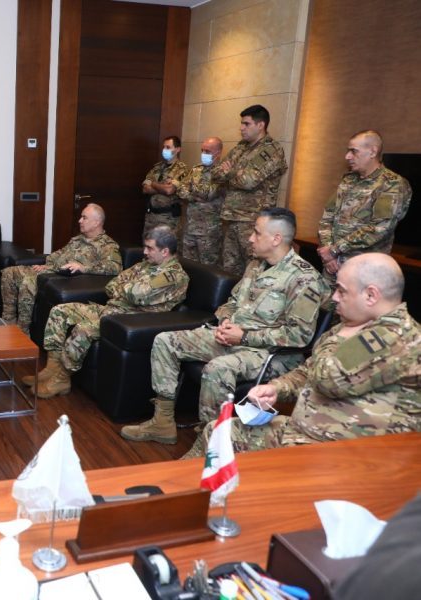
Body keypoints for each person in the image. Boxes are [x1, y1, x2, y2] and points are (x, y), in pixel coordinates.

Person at [183, 253, 419, 458]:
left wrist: (342, 334)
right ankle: (177, 486)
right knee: (218, 432)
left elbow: (328, 378)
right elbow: (309, 369)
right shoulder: (360, 325)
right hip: (308, 434)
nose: (334, 297)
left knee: (220, 442)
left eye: (341, 291)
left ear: (371, 295)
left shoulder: (392, 336)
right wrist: (277, 388)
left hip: (347, 455)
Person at [120, 208, 323, 445]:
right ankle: (162, 423)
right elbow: (233, 302)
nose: (250, 238)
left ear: (276, 238)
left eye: (257, 233)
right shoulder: (255, 265)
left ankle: (210, 443)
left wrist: (243, 336)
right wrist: (226, 320)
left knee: (218, 369)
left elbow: (299, 336)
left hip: (269, 354)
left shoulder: (304, 278)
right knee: (165, 341)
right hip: (232, 338)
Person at [30, 226, 189, 398]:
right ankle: (52, 368)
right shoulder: (146, 265)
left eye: (150, 248)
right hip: (111, 309)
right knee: (60, 311)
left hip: (127, 320)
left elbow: (136, 295)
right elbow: (112, 284)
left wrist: (126, 289)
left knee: (83, 329)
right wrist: (128, 288)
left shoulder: (173, 276)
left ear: (165, 251)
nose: (144, 252)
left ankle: (61, 379)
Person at [0, 203, 121, 334]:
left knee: (28, 282)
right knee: (9, 272)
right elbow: (59, 253)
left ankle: (22, 331)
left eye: (84, 218)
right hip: (51, 270)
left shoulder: (107, 245)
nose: (80, 220)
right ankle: (8, 321)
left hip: (63, 278)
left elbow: (115, 267)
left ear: (96, 222)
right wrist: (46, 264)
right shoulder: (78, 239)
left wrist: (84, 268)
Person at [317, 130, 412, 287]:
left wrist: (334, 250)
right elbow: (328, 216)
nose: (347, 156)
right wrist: (327, 253)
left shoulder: (392, 184)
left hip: (365, 272)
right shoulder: (348, 180)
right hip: (332, 266)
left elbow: (379, 228)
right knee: (327, 301)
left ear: (373, 152)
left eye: (354, 151)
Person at [212, 105, 288, 276]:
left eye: (246, 124)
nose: (241, 128)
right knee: (229, 270)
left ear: (260, 125)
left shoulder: (271, 150)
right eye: (241, 123)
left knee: (252, 272)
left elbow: (248, 181)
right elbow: (215, 174)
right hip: (231, 218)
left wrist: (229, 171)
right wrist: (233, 173)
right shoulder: (241, 147)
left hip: (254, 223)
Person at [177, 136, 225, 266]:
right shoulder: (196, 169)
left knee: (208, 268)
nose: (203, 154)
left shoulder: (222, 173)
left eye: (207, 151)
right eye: (202, 150)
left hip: (209, 231)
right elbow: (181, 189)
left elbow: (209, 194)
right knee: (188, 265)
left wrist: (192, 188)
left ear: (218, 153)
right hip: (190, 227)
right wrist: (193, 196)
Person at [142, 136, 189, 238]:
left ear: (178, 149)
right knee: (148, 246)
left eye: (168, 147)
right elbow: (145, 189)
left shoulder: (182, 169)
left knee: (165, 246)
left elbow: (169, 190)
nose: (164, 150)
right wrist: (162, 187)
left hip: (168, 219)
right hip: (151, 217)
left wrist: (153, 184)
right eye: (164, 147)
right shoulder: (157, 167)